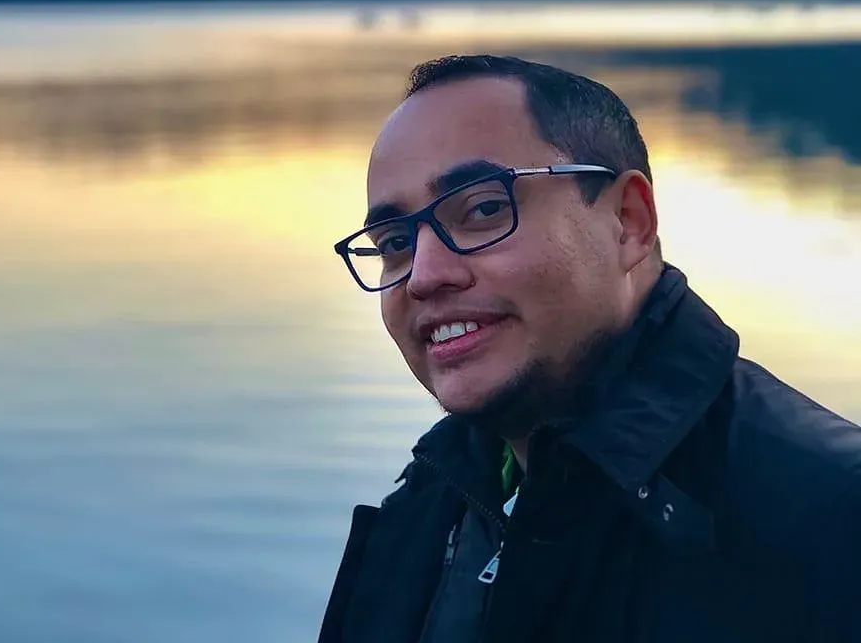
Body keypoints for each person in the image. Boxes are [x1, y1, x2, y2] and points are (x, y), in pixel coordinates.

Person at [319, 54, 861, 643]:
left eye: (483, 210)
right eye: (394, 243)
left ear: (629, 221)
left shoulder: (832, 516)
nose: (424, 275)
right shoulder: (429, 504)